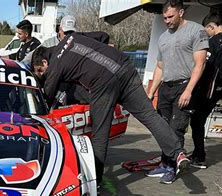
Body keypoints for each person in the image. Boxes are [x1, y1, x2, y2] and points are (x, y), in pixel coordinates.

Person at [31, 34, 190, 185]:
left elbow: (46, 99)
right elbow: (102, 35)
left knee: (99, 134)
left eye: (40, 70)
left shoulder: (54, 65)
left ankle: (96, 183)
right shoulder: (73, 37)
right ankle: (178, 153)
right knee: (149, 115)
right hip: (124, 67)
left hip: (103, 84)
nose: (41, 74)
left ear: (45, 62)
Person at [146, 0, 208, 181]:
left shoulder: (196, 31)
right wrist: (151, 92)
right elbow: (159, 67)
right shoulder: (164, 37)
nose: (167, 21)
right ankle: (165, 163)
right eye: (164, 18)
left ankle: (173, 168)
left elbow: (200, 63)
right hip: (166, 88)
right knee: (163, 129)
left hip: (185, 86)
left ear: (181, 12)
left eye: (170, 16)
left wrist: (189, 90)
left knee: (176, 129)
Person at [189, 12, 222, 168]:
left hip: (212, 88)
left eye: (206, 30)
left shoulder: (214, 42)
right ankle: (198, 153)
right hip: (221, 88)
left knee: (196, 120)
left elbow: (206, 67)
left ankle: (199, 157)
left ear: (212, 26)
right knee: (199, 120)